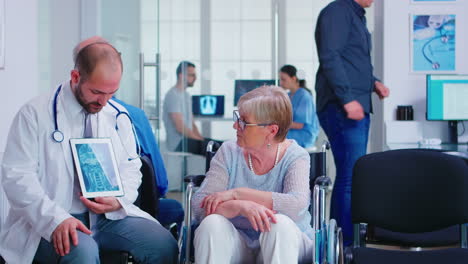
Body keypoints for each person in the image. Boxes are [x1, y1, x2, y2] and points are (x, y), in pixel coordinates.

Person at [0, 41, 178, 263]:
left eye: (112, 93)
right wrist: (55, 219)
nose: (103, 102)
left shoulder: (117, 115)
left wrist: (118, 200)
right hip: (55, 216)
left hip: (107, 217)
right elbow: (17, 177)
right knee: (82, 252)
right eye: (96, 92)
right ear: (75, 77)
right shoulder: (34, 114)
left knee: (162, 243)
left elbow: (132, 167)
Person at [74, 36, 184, 237]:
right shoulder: (135, 115)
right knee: (175, 208)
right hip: (93, 216)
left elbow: (137, 170)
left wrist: (119, 199)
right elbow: (160, 182)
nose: (103, 102)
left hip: (120, 207)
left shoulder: (122, 116)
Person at [192, 86, 314, 263]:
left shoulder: (296, 156)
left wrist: (238, 194)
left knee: (278, 224)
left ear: (271, 130)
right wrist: (240, 206)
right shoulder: (228, 151)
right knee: (211, 224)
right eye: (237, 118)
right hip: (239, 243)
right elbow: (199, 205)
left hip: (287, 243)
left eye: (244, 122)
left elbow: (296, 206)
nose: (235, 125)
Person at [315, 0, 390, 246]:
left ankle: (347, 240)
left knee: (353, 175)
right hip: (342, 107)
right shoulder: (337, 12)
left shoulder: (356, 15)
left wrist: (373, 82)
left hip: (355, 103)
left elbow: (352, 60)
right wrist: (347, 99)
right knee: (350, 176)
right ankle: (345, 245)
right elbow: (330, 56)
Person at [163, 61, 222, 155]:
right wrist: (199, 140)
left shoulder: (186, 95)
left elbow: (192, 123)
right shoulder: (173, 95)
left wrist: (201, 138)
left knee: (222, 145)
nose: (195, 78)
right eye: (192, 75)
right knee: (217, 148)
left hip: (188, 139)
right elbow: (180, 127)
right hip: (178, 143)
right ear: (181, 76)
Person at [279, 64, 319, 149]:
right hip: (292, 132)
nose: (281, 83)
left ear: (293, 78)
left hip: (304, 135)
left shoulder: (304, 96)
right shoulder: (288, 95)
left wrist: (278, 124)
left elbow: (300, 125)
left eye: (283, 80)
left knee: (272, 138)